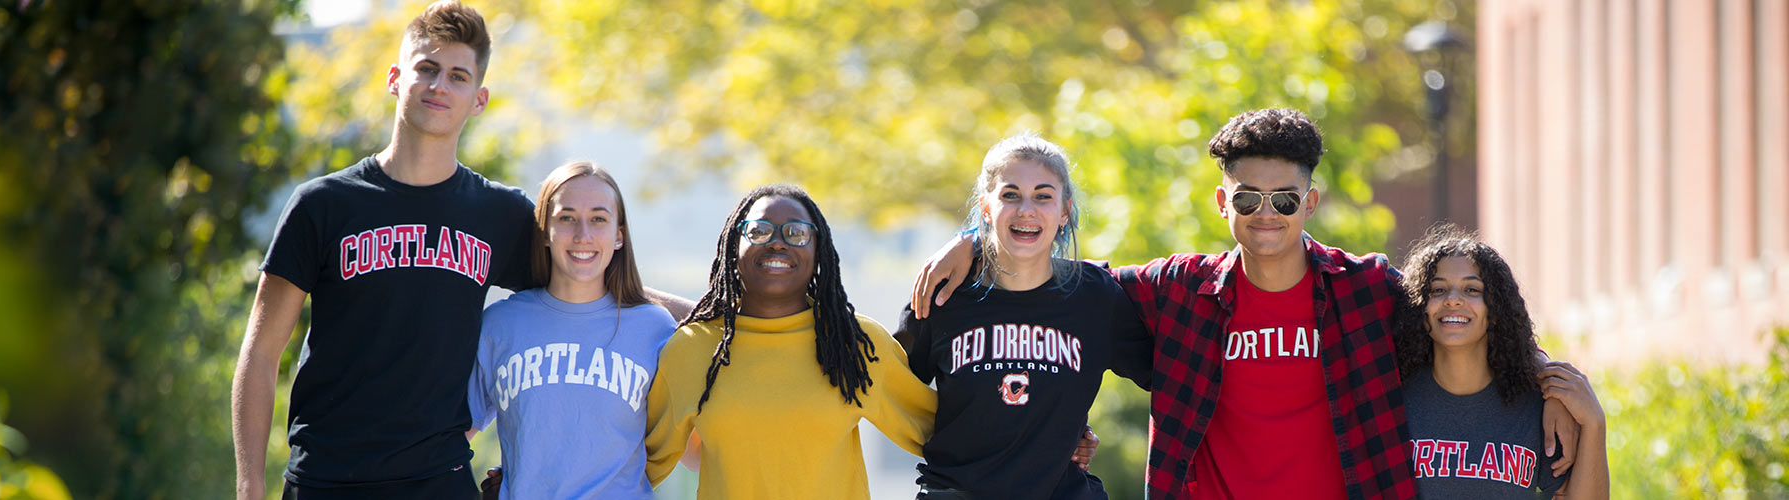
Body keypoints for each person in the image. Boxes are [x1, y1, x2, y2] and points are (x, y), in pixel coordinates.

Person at [911, 109, 1581, 499]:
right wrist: (974, 242)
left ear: (1309, 203)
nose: (1267, 214)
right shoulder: (1179, 290)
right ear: (1221, 202)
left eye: (1284, 199)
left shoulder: (1365, 288)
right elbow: (1053, 275)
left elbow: (1457, 318)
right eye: (1248, 198)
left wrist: (1544, 381)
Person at [230, 4, 685, 498]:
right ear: (395, 78)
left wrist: (712, 311)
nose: (439, 86)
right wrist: (249, 486)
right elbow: (262, 352)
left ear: (479, 98)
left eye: (458, 76)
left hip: (438, 479)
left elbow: (583, 268)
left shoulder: (499, 214)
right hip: (325, 476)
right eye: (426, 68)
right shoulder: (323, 205)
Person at [895, 133, 1153, 499]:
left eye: (1043, 196)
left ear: (1064, 211)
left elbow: (1170, 379)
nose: (1026, 210)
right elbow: (892, 391)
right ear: (986, 208)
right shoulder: (943, 294)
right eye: (1010, 195)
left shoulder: (1096, 296)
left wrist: (1065, 431)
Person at [643, 185, 938, 500]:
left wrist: (969, 247)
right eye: (759, 231)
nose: (777, 243)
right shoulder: (691, 349)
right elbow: (636, 469)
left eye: (796, 233)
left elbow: (947, 439)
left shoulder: (855, 344)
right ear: (734, 245)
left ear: (818, 250)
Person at [462, 162, 676, 499]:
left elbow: (691, 442)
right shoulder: (501, 324)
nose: (583, 235)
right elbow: (453, 439)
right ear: (544, 231)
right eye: (567, 218)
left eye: (599, 219)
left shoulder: (656, 328)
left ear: (619, 235)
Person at [1393, 224, 1608, 498]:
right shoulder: (1393, 400)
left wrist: (1594, 424)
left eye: (1472, 289)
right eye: (1437, 290)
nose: (1453, 300)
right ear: (1418, 306)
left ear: (1496, 309)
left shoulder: (1538, 407)